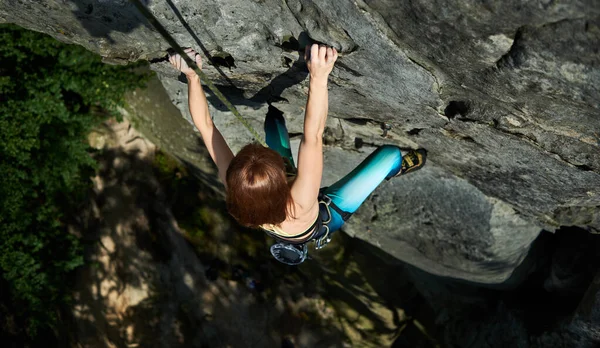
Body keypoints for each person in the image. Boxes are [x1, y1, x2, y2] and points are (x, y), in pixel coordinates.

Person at [169, 44, 426, 264]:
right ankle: (397, 168)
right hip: (326, 216)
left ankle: (276, 132)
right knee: (390, 154)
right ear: (282, 182)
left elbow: (205, 126)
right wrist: (319, 75)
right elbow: (312, 136)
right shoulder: (300, 202)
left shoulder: (236, 182)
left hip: (274, 208)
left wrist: (191, 75)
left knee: (273, 122)